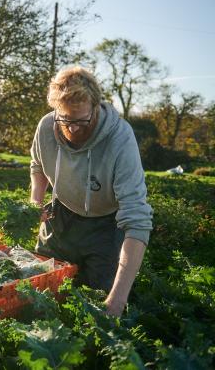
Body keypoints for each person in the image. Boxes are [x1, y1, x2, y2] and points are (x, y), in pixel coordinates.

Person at [29, 66, 153, 317]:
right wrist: (36, 201)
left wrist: (117, 301)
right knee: (40, 291)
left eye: (81, 120)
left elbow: (137, 219)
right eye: (66, 120)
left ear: (95, 107)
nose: (73, 128)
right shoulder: (46, 127)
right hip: (60, 216)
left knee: (95, 301)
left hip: (106, 225)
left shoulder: (120, 139)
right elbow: (38, 165)